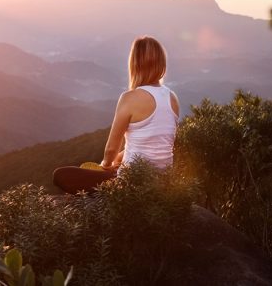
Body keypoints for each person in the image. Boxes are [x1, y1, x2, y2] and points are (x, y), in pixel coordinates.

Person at [52, 35, 179, 194]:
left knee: (61, 175)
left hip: (132, 182)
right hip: (163, 180)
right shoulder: (172, 98)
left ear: (135, 64)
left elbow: (111, 149)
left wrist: (105, 166)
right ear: (161, 64)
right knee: (114, 166)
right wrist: (119, 160)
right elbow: (155, 142)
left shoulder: (129, 98)